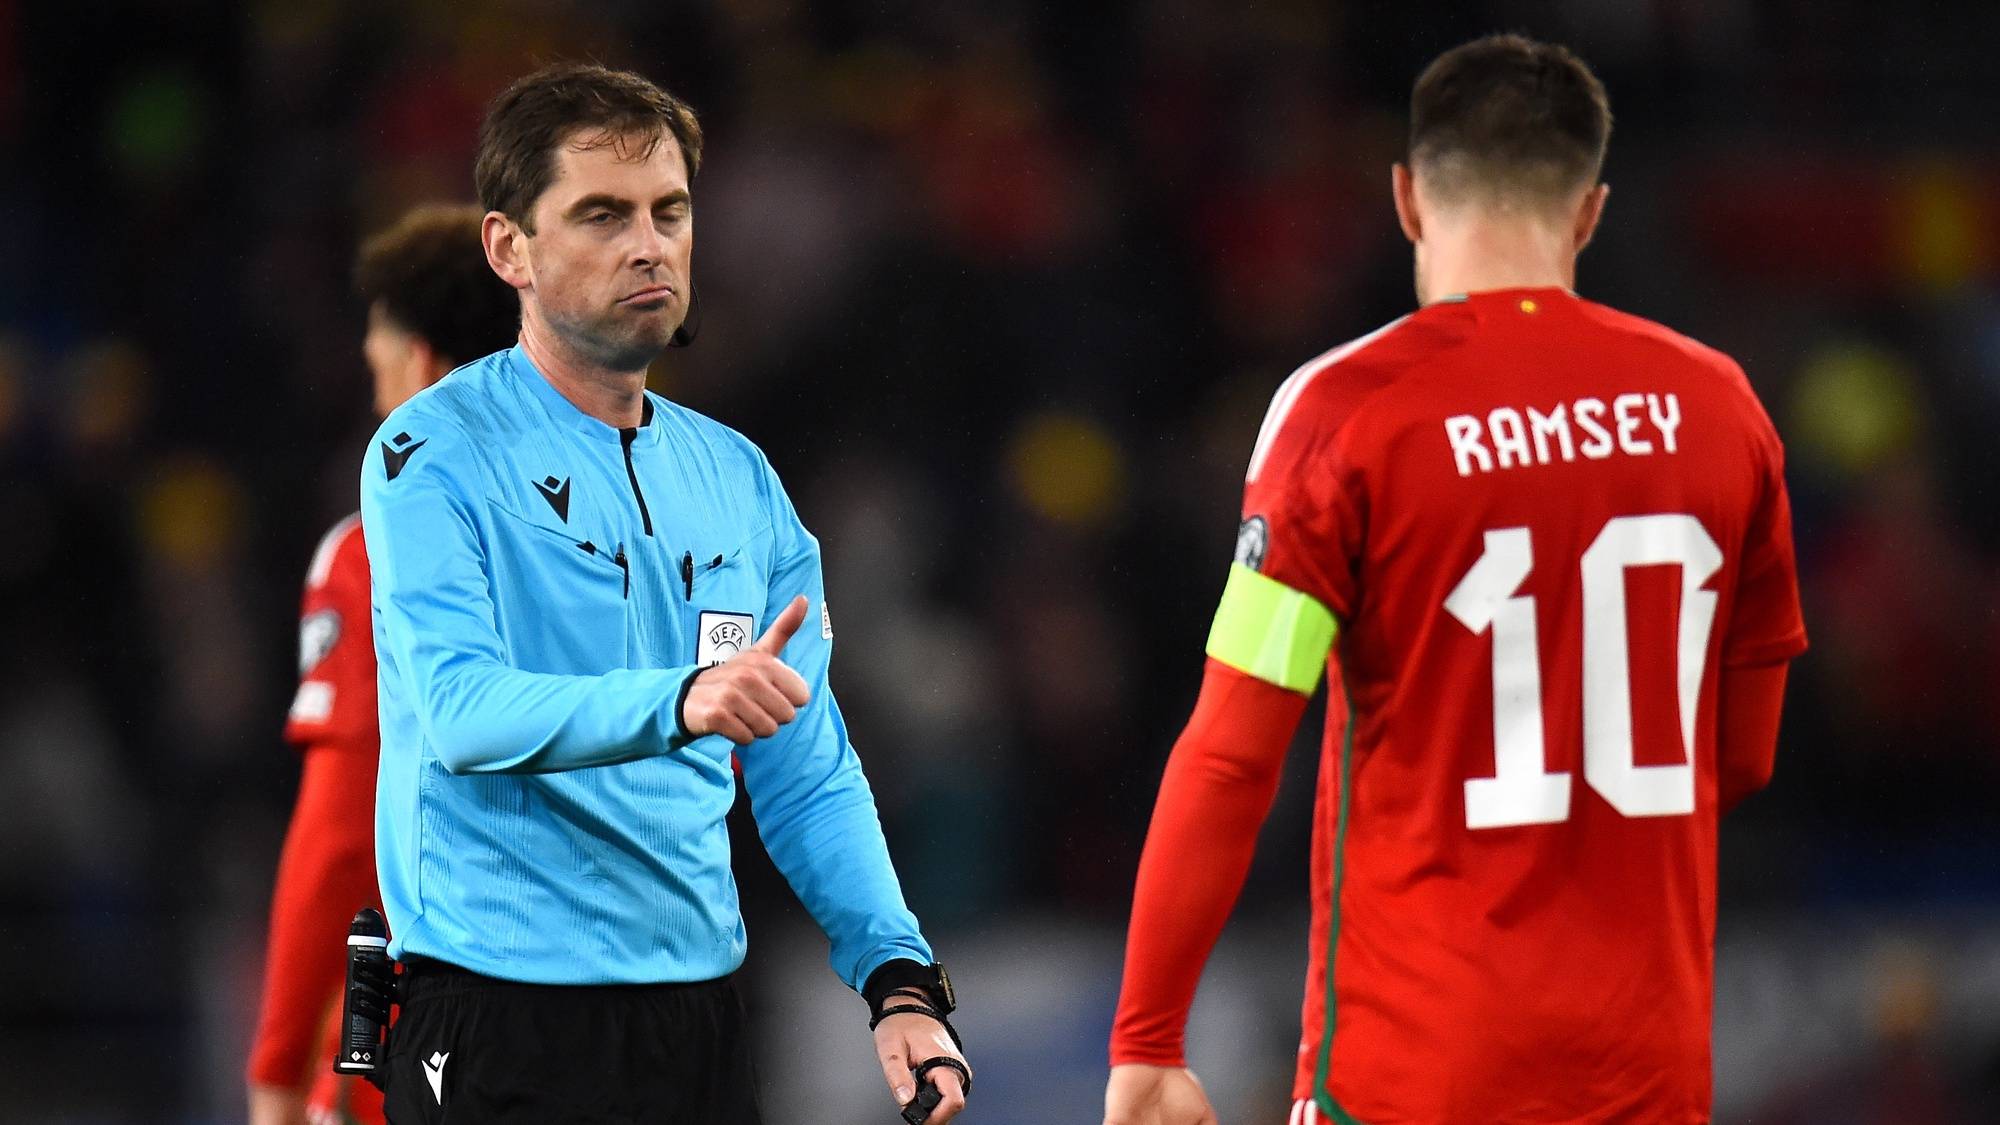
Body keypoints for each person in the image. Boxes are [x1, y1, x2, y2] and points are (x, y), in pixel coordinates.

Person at [1105, 34, 1807, 1125]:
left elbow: (1232, 754)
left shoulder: (1345, 415)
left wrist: (1147, 1036)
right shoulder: (1720, 410)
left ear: (1404, 199)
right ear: (1588, 211)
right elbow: (1742, 756)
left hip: (1411, 1076)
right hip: (1644, 1075)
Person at [359, 62, 970, 1124]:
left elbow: (803, 761)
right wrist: (679, 698)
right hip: (498, 1017)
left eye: (669, 211)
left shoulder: (739, 482)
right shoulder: (430, 453)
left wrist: (896, 979)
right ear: (509, 248)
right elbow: (457, 711)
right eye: (601, 214)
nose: (649, 244)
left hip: (696, 1027)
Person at [247, 204, 522, 1125]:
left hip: (435, 1044)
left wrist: (280, 1066)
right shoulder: (631, 541)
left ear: (425, 364)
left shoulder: (377, 559)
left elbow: (339, 831)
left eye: (381, 354)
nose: (373, 383)